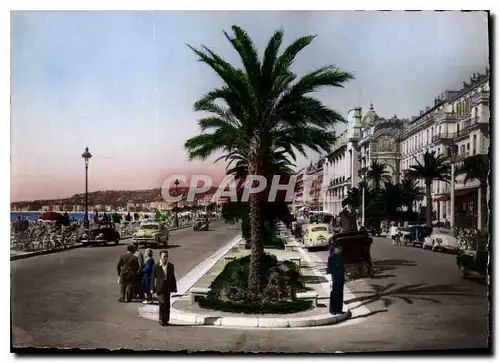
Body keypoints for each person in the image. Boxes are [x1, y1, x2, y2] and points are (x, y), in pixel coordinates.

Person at [151, 250, 178, 326]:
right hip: (160, 288)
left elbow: (173, 278)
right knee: (162, 303)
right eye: (164, 256)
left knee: (167, 304)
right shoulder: (156, 266)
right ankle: (161, 319)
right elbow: (152, 278)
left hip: (167, 287)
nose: (165, 258)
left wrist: (174, 287)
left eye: (167, 256)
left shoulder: (170, 266)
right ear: (161, 257)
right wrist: (151, 288)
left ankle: (166, 319)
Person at [326, 243, 345, 314]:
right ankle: (333, 310)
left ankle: (339, 309)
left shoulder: (340, 257)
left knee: (340, 294)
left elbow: (342, 268)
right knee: (334, 295)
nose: (340, 250)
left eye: (341, 248)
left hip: (340, 278)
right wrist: (330, 279)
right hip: (334, 279)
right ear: (335, 249)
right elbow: (329, 269)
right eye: (339, 248)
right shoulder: (332, 257)